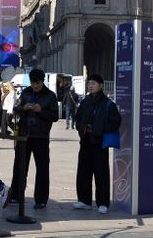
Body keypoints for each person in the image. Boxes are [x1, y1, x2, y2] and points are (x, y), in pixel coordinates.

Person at [9, 68, 59, 209]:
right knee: (19, 166)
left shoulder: (50, 96)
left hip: (41, 136)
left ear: (42, 81)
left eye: (37, 83)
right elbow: (15, 109)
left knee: (42, 168)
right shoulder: (26, 93)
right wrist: (23, 108)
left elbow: (55, 116)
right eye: (32, 83)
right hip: (24, 135)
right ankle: (16, 195)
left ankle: (41, 199)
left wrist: (41, 111)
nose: (35, 86)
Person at [71, 74, 120, 214]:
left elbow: (116, 122)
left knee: (101, 173)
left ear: (101, 85)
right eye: (89, 83)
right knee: (83, 172)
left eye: (93, 83)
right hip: (86, 141)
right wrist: (82, 128)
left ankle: (103, 203)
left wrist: (99, 129)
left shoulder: (108, 104)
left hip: (100, 143)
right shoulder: (85, 102)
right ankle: (84, 200)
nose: (90, 86)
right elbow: (78, 118)